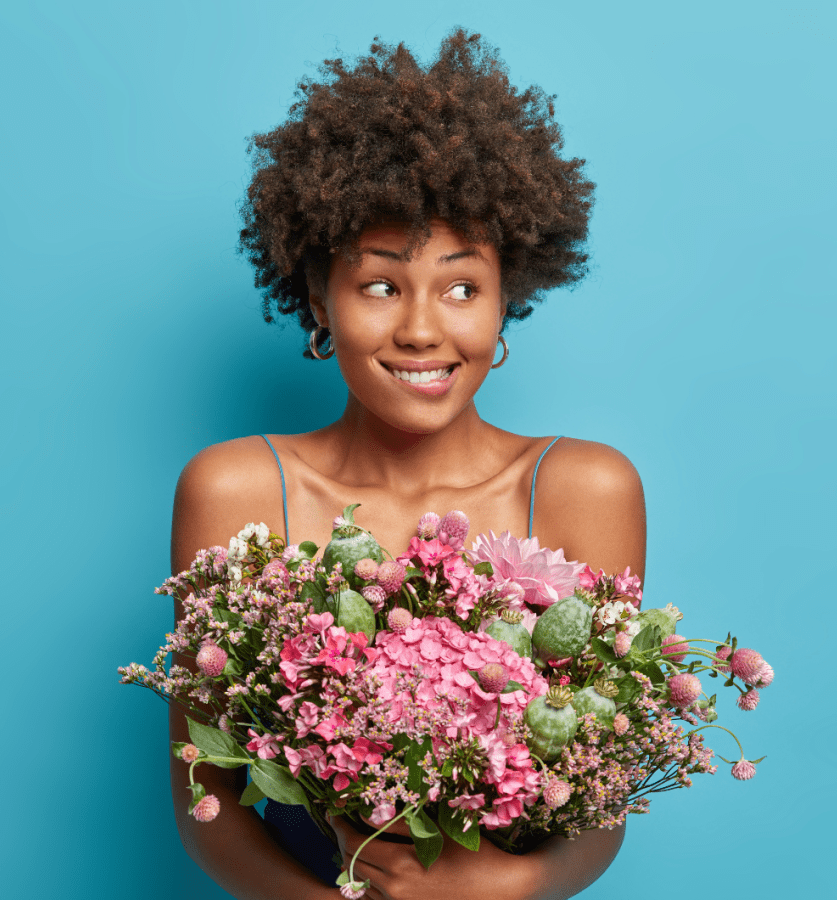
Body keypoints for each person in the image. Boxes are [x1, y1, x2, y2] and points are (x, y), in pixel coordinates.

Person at [168, 30, 645, 900]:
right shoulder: (234, 491)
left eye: (462, 287)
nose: (424, 329)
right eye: (382, 285)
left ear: (509, 299)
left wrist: (502, 888)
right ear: (320, 297)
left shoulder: (585, 489)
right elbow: (208, 798)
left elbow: (601, 803)